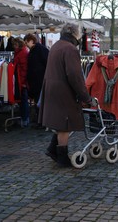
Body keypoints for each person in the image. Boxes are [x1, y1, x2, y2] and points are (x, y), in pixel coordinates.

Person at [38, 23, 97, 168]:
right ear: (74, 34)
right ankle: (62, 158)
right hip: (63, 91)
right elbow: (74, 76)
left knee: (60, 121)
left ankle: (52, 149)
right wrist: (86, 97)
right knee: (65, 123)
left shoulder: (57, 46)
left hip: (52, 88)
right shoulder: (70, 49)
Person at [24, 33, 49, 127]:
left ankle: (42, 122)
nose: (26, 44)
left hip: (40, 80)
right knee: (38, 100)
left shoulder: (40, 49)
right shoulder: (33, 50)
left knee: (40, 101)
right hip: (36, 81)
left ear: (31, 41)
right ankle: (39, 120)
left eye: (27, 42)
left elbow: (47, 63)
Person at [12, 37, 30, 127]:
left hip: (22, 81)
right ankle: (24, 118)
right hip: (20, 80)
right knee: (23, 101)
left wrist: (22, 82)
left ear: (18, 44)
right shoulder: (21, 52)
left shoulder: (22, 53)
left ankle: (25, 119)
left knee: (23, 101)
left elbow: (24, 69)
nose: (14, 46)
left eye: (15, 45)